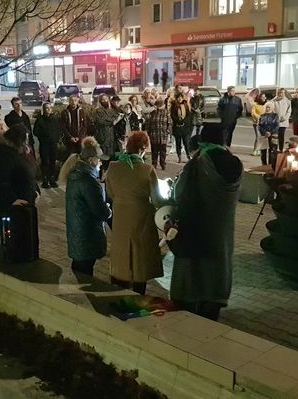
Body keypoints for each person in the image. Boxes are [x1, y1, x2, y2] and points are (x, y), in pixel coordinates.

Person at [170, 126, 243, 321]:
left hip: (196, 228)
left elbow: (179, 194)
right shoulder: (236, 164)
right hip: (223, 231)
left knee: (193, 273)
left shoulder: (197, 165)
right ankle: (213, 307)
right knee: (217, 269)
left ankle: (191, 313)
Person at [105, 131, 164, 295]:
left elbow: (110, 193)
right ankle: (138, 293)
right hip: (141, 217)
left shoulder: (113, 167)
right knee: (140, 256)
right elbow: (157, 200)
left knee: (121, 252)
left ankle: (119, 289)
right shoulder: (147, 169)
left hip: (120, 216)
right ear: (143, 148)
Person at [59, 137, 111, 276]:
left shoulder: (75, 175)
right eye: (99, 160)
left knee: (79, 265)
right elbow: (101, 211)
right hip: (88, 234)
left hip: (78, 232)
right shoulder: (89, 181)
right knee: (85, 269)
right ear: (91, 160)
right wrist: (108, 209)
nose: (101, 163)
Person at [0, 124, 39, 242]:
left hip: (24, 203)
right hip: (11, 205)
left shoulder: (21, 152)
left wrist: (35, 190)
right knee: (5, 234)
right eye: (25, 138)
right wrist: (11, 199)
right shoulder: (3, 154)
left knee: (21, 235)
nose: (27, 141)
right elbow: (0, 179)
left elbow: (29, 174)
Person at [34, 102, 61, 188]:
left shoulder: (55, 119)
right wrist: (44, 137)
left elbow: (58, 130)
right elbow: (36, 131)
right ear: (44, 109)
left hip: (53, 144)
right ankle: (45, 180)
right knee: (45, 162)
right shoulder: (40, 119)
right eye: (46, 108)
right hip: (44, 144)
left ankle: (52, 179)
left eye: (50, 108)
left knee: (53, 161)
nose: (48, 109)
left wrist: (56, 139)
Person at [146, 97, 171, 170]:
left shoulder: (166, 112)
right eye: (158, 105)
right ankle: (154, 163)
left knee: (163, 151)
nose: (159, 106)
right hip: (154, 135)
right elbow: (149, 123)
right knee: (154, 151)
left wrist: (168, 131)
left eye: (160, 105)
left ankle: (163, 164)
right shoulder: (153, 113)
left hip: (163, 135)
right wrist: (148, 132)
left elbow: (169, 123)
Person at [92, 94, 116, 160]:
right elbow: (100, 121)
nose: (105, 101)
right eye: (103, 99)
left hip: (110, 136)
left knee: (110, 156)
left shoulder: (111, 110)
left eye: (106, 99)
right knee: (102, 156)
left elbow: (115, 117)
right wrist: (111, 122)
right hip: (102, 135)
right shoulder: (98, 110)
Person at [171, 92, 191, 163]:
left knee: (186, 142)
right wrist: (178, 120)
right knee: (178, 143)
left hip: (185, 127)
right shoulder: (174, 105)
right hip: (177, 127)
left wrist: (184, 121)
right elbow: (172, 115)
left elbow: (188, 115)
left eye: (181, 97)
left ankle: (188, 155)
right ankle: (179, 156)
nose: (179, 99)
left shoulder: (185, 105)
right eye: (178, 97)